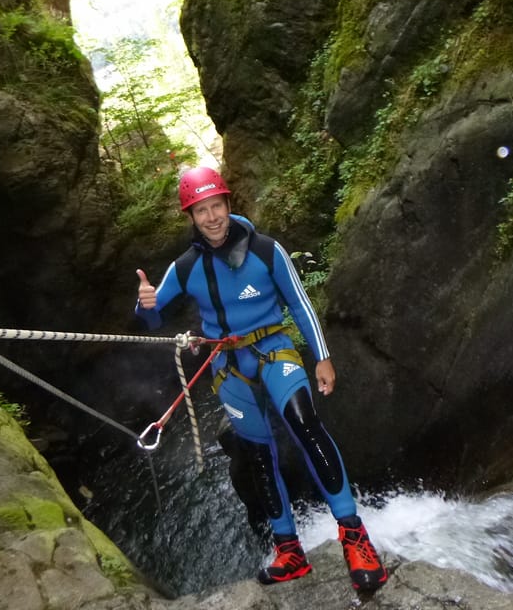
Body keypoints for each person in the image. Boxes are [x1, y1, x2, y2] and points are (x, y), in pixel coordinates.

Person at [135, 166, 387, 592]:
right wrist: (144, 304)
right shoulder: (186, 267)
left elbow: (301, 304)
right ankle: (290, 550)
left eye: (217, 206)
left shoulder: (267, 251)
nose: (212, 217)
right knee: (255, 453)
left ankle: (354, 536)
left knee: (305, 424)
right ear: (191, 217)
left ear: (229, 206)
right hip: (228, 366)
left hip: (274, 351)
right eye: (201, 211)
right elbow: (153, 315)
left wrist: (322, 358)